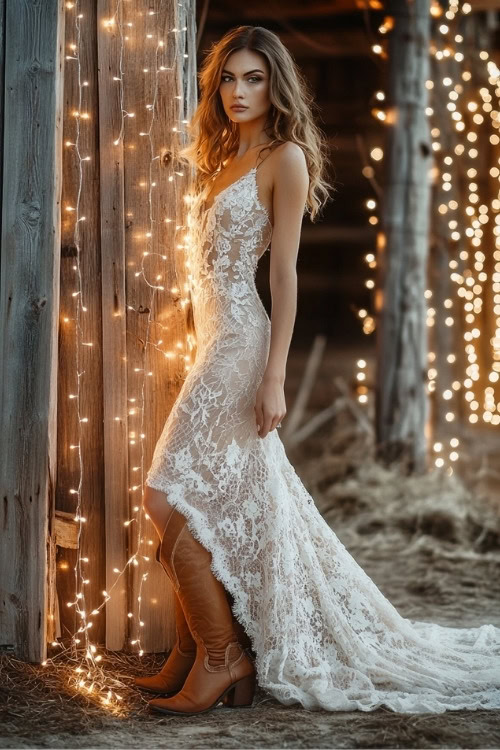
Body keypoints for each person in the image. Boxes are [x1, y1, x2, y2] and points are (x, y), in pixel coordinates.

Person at [135, 25, 500, 716]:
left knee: (165, 496)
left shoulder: (285, 157)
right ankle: (196, 655)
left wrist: (273, 376)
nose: (239, 92)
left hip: (242, 341)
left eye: (254, 79)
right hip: (210, 336)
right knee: (185, 500)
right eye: (229, 79)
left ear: (276, 85)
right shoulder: (221, 159)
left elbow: (284, 275)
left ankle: (221, 657)